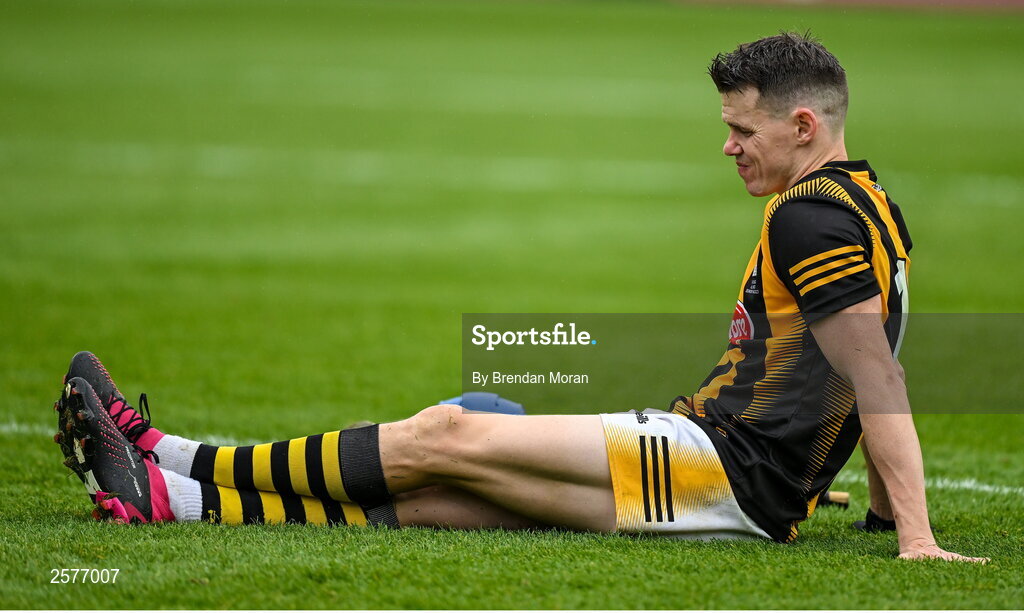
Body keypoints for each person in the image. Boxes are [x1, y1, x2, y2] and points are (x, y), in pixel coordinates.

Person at [52, 32, 986, 562]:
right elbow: (882, 353)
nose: (730, 147)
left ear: (804, 124)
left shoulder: (806, 221)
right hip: (740, 471)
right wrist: (855, 501)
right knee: (450, 474)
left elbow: (876, 375)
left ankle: (172, 452)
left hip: (723, 470)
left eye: (744, 130)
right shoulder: (869, 202)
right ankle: (171, 493)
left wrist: (913, 535)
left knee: (445, 433)